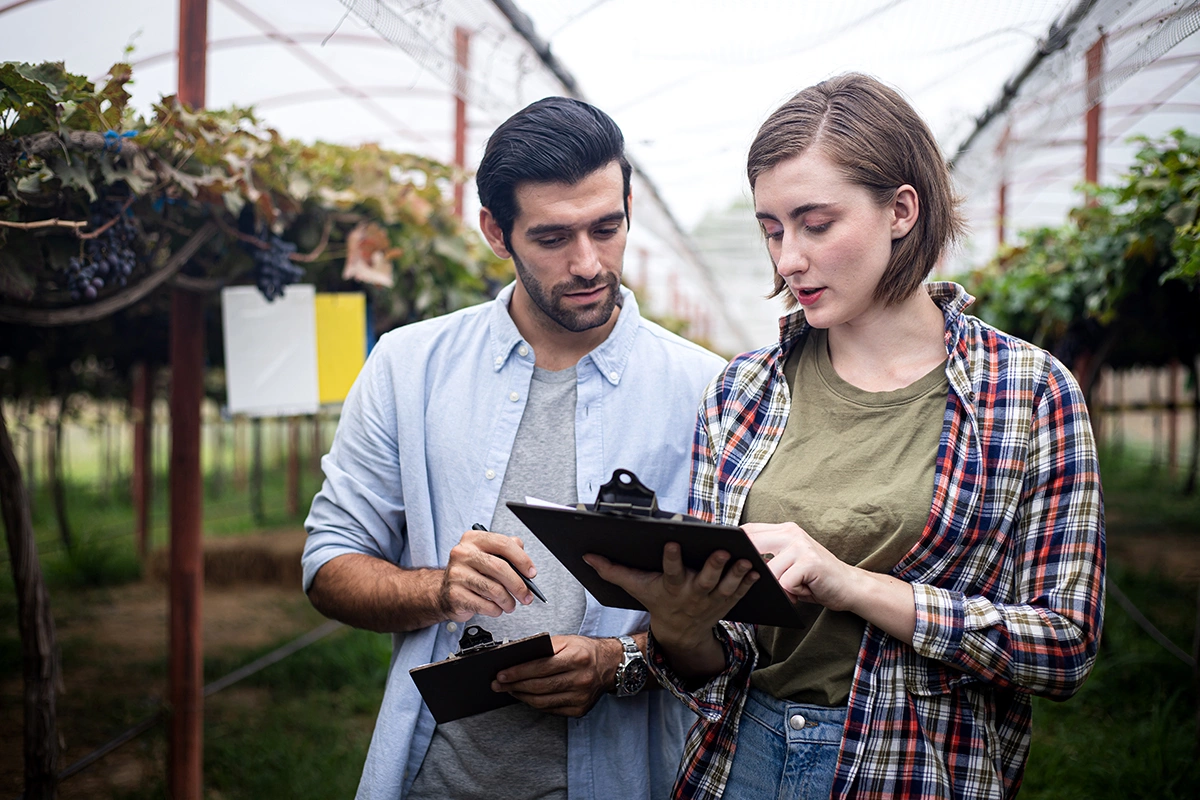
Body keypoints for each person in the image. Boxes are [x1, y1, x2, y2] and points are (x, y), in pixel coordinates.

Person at [587, 73, 1106, 800]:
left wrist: (853, 586)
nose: (787, 259)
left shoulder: (1026, 394)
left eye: (815, 223)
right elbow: (718, 657)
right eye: (772, 230)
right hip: (743, 760)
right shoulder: (743, 393)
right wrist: (679, 624)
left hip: (914, 766)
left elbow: (1065, 647)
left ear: (900, 209)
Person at [301, 96, 725, 800]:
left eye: (607, 228)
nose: (589, 263)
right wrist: (438, 589)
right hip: (436, 779)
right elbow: (327, 565)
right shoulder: (409, 367)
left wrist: (618, 660)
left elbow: (736, 621)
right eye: (553, 238)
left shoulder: (707, 390)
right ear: (496, 232)